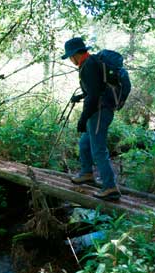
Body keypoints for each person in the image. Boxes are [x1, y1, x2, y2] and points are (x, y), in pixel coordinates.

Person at [61, 37, 120, 199]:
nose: (70, 60)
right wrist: (80, 96)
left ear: (74, 54)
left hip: (99, 111)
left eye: (70, 56)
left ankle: (110, 187)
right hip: (99, 110)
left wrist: (82, 118)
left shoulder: (89, 65)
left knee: (98, 149)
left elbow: (94, 96)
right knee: (84, 143)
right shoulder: (90, 63)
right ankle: (87, 173)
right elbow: (96, 88)